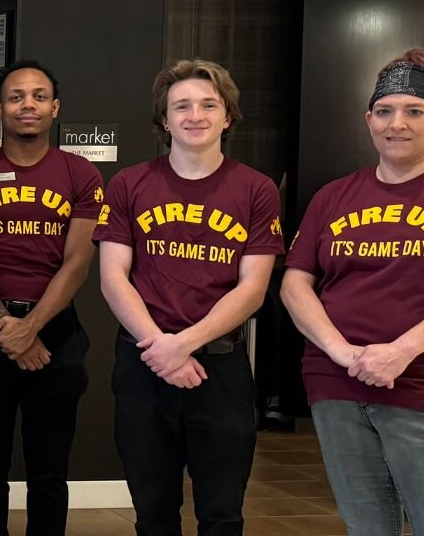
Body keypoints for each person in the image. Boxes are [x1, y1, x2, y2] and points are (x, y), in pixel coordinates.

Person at [281, 48, 424, 535]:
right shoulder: (333, 196)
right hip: (337, 385)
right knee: (367, 528)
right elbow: (296, 281)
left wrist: (400, 352)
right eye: (385, 111)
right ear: (368, 119)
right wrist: (342, 352)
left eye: (414, 111)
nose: (396, 124)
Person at [95, 60, 282, 535]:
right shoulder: (128, 184)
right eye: (181, 106)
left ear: (228, 117)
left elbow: (253, 287)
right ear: (164, 119)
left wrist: (183, 345)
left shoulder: (256, 190)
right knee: (153, 514)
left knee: (221, 514)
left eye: (208, 104)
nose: (194, 115)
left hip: (220, 369)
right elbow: (114, 278)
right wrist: (161, 347)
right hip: (142, 365)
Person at [0, 62, 102, 535]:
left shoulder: (82, 175)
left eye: (39, 96)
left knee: (49, 472)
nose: (27, 105)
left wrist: (31, 327)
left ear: (54, 108)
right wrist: (8, 329)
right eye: (16, 97)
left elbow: (77, 262)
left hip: (55, 332)